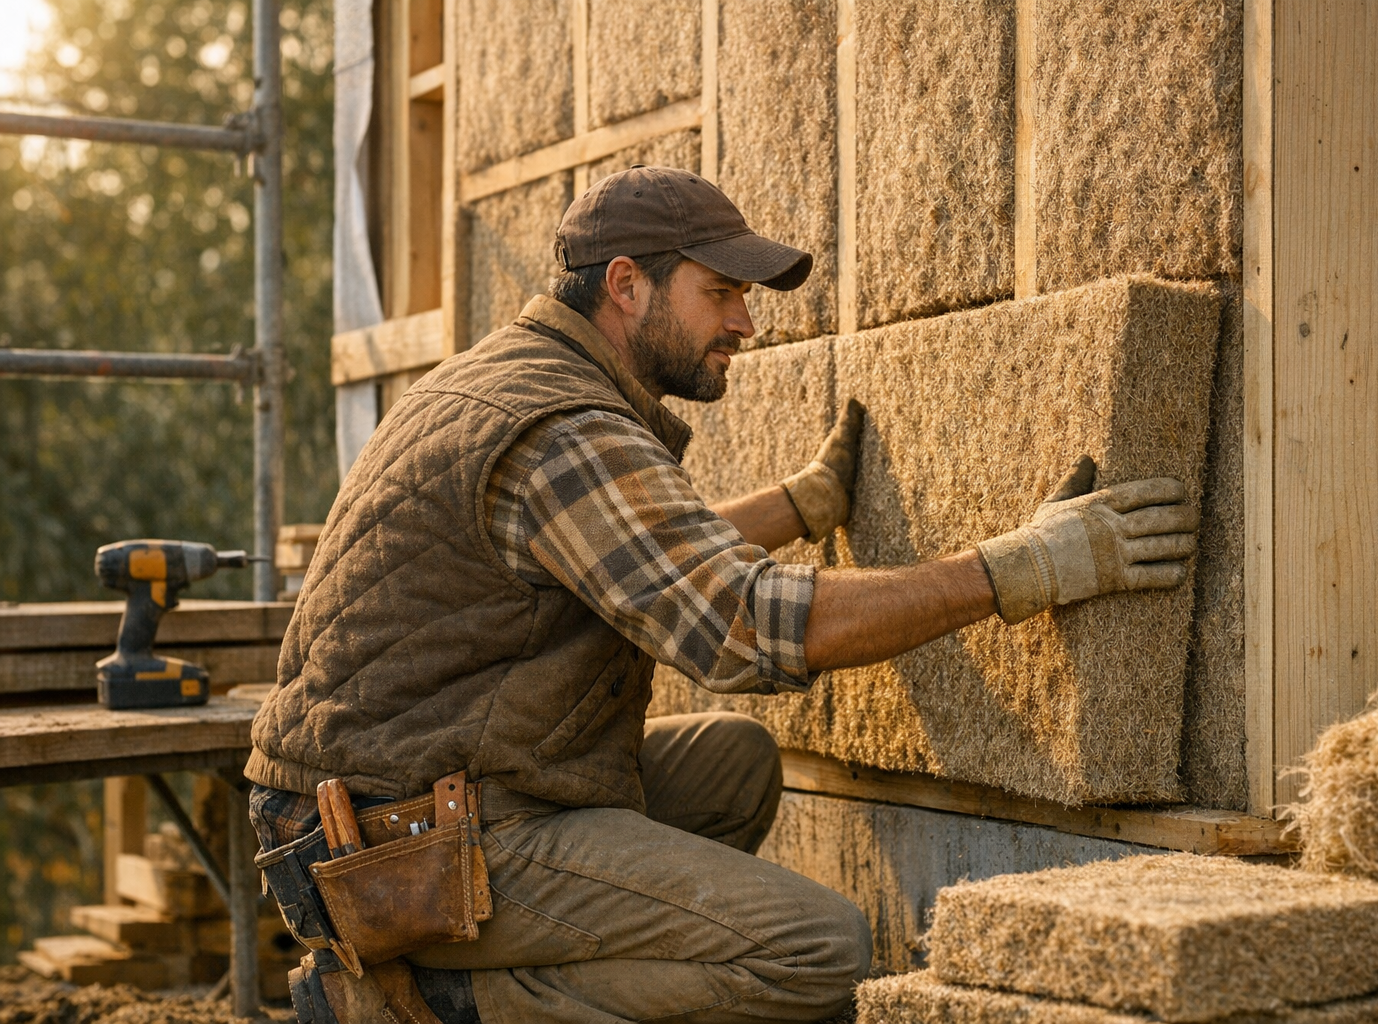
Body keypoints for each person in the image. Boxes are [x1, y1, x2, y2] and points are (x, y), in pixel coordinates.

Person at [247, 166, 1199, 1024]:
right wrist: (1022, 567)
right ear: (627, 285)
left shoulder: (516, 379)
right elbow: (741, 629)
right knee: (817, 948)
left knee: (732, 766)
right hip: (397, 855)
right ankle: (438, 1004)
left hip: (403, 805)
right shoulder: (562, 427)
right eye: (721, 292)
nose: (745, 323)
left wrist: (801, 505)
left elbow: (628, 557)